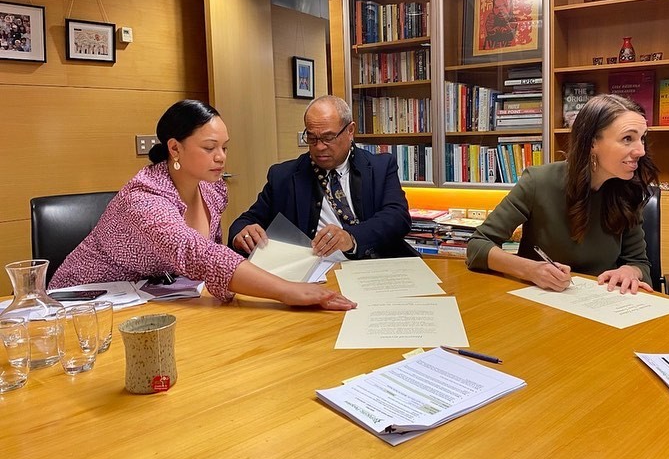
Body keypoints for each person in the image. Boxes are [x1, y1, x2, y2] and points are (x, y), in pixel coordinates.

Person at [49, 100, 356, 311]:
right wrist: (287, 291)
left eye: (224, 147)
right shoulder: (144, 199)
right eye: (210, 148)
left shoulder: (212, 189)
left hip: (151, 301)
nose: (221, 156)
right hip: (86, 302)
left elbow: (210, 261)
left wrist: (234, 289)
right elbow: (199, 254)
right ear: (174, 148)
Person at [466, 94, 659, 295]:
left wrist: (630, 271)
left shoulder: (628, 190)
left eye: (642, 139)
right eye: (628, 138)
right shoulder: (538, 182)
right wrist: (531, 270)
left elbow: (640, 263)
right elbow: (477, 246)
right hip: (539, 304)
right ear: (592, 142)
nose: (641, 151)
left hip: (602, 305)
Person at [228, 95, 415, 260]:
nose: (319, 147)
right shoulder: (283, 177)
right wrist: (241, 234)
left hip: (376, 263)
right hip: (314, 273)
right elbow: (245, 222)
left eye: (328, 138)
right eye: (311, 138)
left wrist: (351, 237)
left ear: (350, 131)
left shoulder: (380, 167)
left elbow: (397, 217)